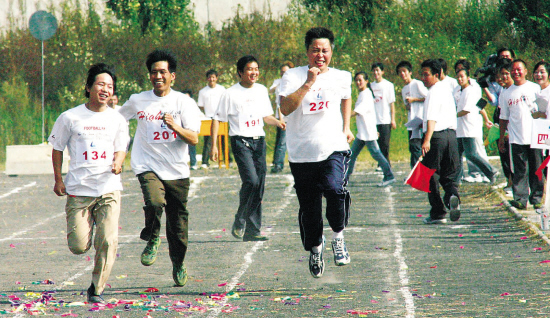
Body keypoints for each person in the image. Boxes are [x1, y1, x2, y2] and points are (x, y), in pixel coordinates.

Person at [119, 49, 201, 287]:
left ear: (172, 76)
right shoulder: (138, 100)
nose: (158, 76)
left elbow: (194, 138)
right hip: (147, 165)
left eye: (163, 72)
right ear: (149, 76)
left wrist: (175, 126)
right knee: (155, 202)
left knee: (178, 228)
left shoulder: (183, 102)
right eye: (154, 72)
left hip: (176, 171)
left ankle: (178, 262)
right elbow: (116, 118)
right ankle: (153, 237)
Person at [49, 63, 129, 304]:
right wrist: (58, 179)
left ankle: (97, 288)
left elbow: (121, 147)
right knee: (79, 246)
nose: (105, 89)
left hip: (108, 188)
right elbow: (57, 148)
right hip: (79, 190)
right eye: (100, 84)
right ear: (88, 87)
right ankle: (88, 231)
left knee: (107, 240)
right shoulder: (70, 117)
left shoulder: (117, 119)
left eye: (110, 86)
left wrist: (118, 162)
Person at [279, 27, 354, 278]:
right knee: (310, 209)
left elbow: (346, 98)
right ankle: (316, 248)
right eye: (315, 50)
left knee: (335, 189)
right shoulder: (292, 76)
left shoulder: (342, 76)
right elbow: (286, 108)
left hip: (333, 147)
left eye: (325, 50)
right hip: (302, 153)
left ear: (331, 51)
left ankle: (338, 237)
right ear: (307, 52)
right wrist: (309, 83)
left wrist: (346, 128)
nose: (320, 55)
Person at [210, 55, 285, 242]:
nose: (254, 72)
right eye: (250, 69)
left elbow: (266, 115)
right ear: (240, 73)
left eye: (256, 69)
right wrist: (213, 146)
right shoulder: (230, 93)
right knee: (251, 181)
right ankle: (240, 218)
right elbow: (217, 119)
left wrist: (277, 122)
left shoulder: (261, 90)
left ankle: (252, 230)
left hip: (259, 141)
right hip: (240, 141)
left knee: (259, 185)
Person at [420, 59, 461, 224]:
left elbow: (431, 118)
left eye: (426, 74)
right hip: (451, 136)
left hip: (436, 136)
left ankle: (438, 212)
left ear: (436, 75)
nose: (423, 78)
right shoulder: (446, 89)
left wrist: (426, 140)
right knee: (449, 175)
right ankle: (452, 196)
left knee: (429, 175)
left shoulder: (433, 92)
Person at [499, 59, 544, 210]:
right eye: (513, 70)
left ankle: (537, 198)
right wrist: (501, 137)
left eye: (519, 69)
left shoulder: (535, 88)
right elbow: (503, 117)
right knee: (519, 170)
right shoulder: (506, 93)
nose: (516, 72)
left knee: (536, 168)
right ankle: (520, 198)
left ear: (525, 71)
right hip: (516, 137)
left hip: (535, 136)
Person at [453, 61, 499, 184]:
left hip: (469, 128)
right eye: (457, 76)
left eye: (462, 76)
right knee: (456, 155)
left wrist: (451, 116)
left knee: (472, 154)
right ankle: (456, 179)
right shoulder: (458, 90)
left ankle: (491, 171)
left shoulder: (471, 90)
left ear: (468, 77)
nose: (459, 79)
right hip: (459, 128)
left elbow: (467, 110)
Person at [346, 71, 395, 186]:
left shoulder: (366, 94)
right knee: (352, 155)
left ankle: (389, 176)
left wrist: (342, 115)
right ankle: (345, 177)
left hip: (368, 132)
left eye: (360, 80)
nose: (358, 83)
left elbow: (356, 112)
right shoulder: (363, 94)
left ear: (366, 81)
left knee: (376, 154)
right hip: (362, 133)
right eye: (356, 80)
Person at [396, 61, 427, 168]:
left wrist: (414, 99)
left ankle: (419, 174)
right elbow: (407, 106)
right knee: (413, 148)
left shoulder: (417, 84)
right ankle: (416, 173)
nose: (402, 74)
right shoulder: (404, 89)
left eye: (404, 71)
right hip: (412, 121)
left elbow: (428, 97)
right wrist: (408, 106)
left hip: (420, 120)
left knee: (417, 147)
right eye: (400, 72)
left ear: (410, 72)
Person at [198, 69, 226, 169]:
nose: (211, 79)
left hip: (221, 117)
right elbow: (200, 106)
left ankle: (227, 160)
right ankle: (205, 162)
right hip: (208, 118)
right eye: (210, 77)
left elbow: (225, 103)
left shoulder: (222, 89)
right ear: (207, 79)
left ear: (216, 78)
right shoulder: (203, 92)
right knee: (208, 140)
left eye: (213, 77)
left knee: (223, 139)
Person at [269, 61, 294, 173]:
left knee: (285, 141)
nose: (284, 74)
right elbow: (273, 94)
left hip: (292, 116)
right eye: (282, 72)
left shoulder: (294, 83)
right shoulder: (278, 83)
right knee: (280, 141)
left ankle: (280, 163)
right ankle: (277, 163)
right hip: (281, 116)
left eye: (286, 72)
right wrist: (281, 118)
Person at [370, 62, 396, 166]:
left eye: (378, 70)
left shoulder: (388, 85)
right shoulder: (370, 86)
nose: (376, 73)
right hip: (374, 120)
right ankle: (381, 164)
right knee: (376, 145)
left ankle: (386, 165)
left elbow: (391, 104)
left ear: (382, 72)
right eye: (374, 71)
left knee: (385, 145)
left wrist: (393, 119)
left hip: (385, 119)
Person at [182, 89, 198, 170]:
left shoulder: (192, 103)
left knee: (191, 146)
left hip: (190, 128)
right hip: (180, 128)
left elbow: (197, 114)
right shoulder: (179, 103)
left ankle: (193, 163)